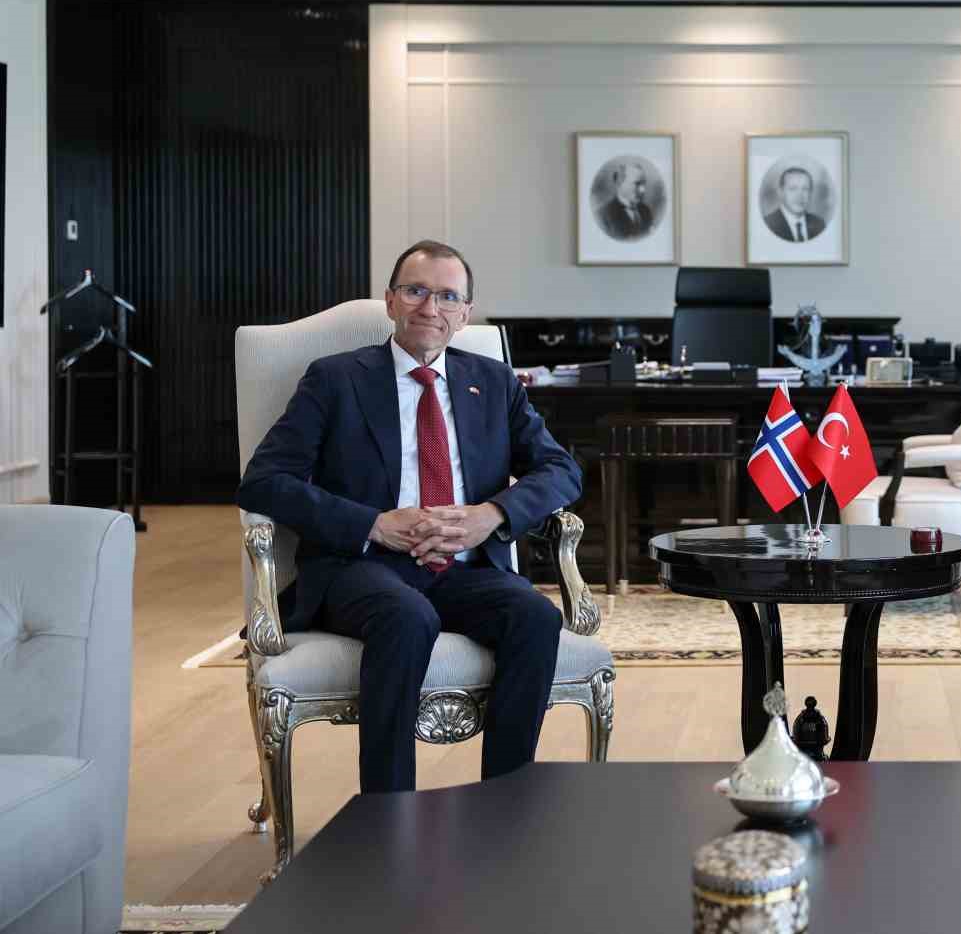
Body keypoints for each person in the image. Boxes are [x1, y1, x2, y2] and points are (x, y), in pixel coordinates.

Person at [238, 239, 581, 793]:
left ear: (465, 313)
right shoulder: (335, 379)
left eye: (448, 296)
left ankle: (505, 805)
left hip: (465, 570)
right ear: (391, 301)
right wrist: (373, 524)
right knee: (406, 616)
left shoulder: (494, 382)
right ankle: (389, 813)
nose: (430, 307)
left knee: (535, 617)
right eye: (416, 291)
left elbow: (562, 470)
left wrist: (492, 514)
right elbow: (264, 480)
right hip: (362, 566)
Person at [763, 166, 827, 242]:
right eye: (793, 189)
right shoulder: (769, 224)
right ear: (781, 192)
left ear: (810, 193)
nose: (799, 195)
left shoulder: (819, 224)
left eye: (805, 189)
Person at [599, 161, 654, 240]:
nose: (643, 190)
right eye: (637, 184)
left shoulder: (646, 211)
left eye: (643, 184)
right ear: (620, 183)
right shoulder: (603, 215)